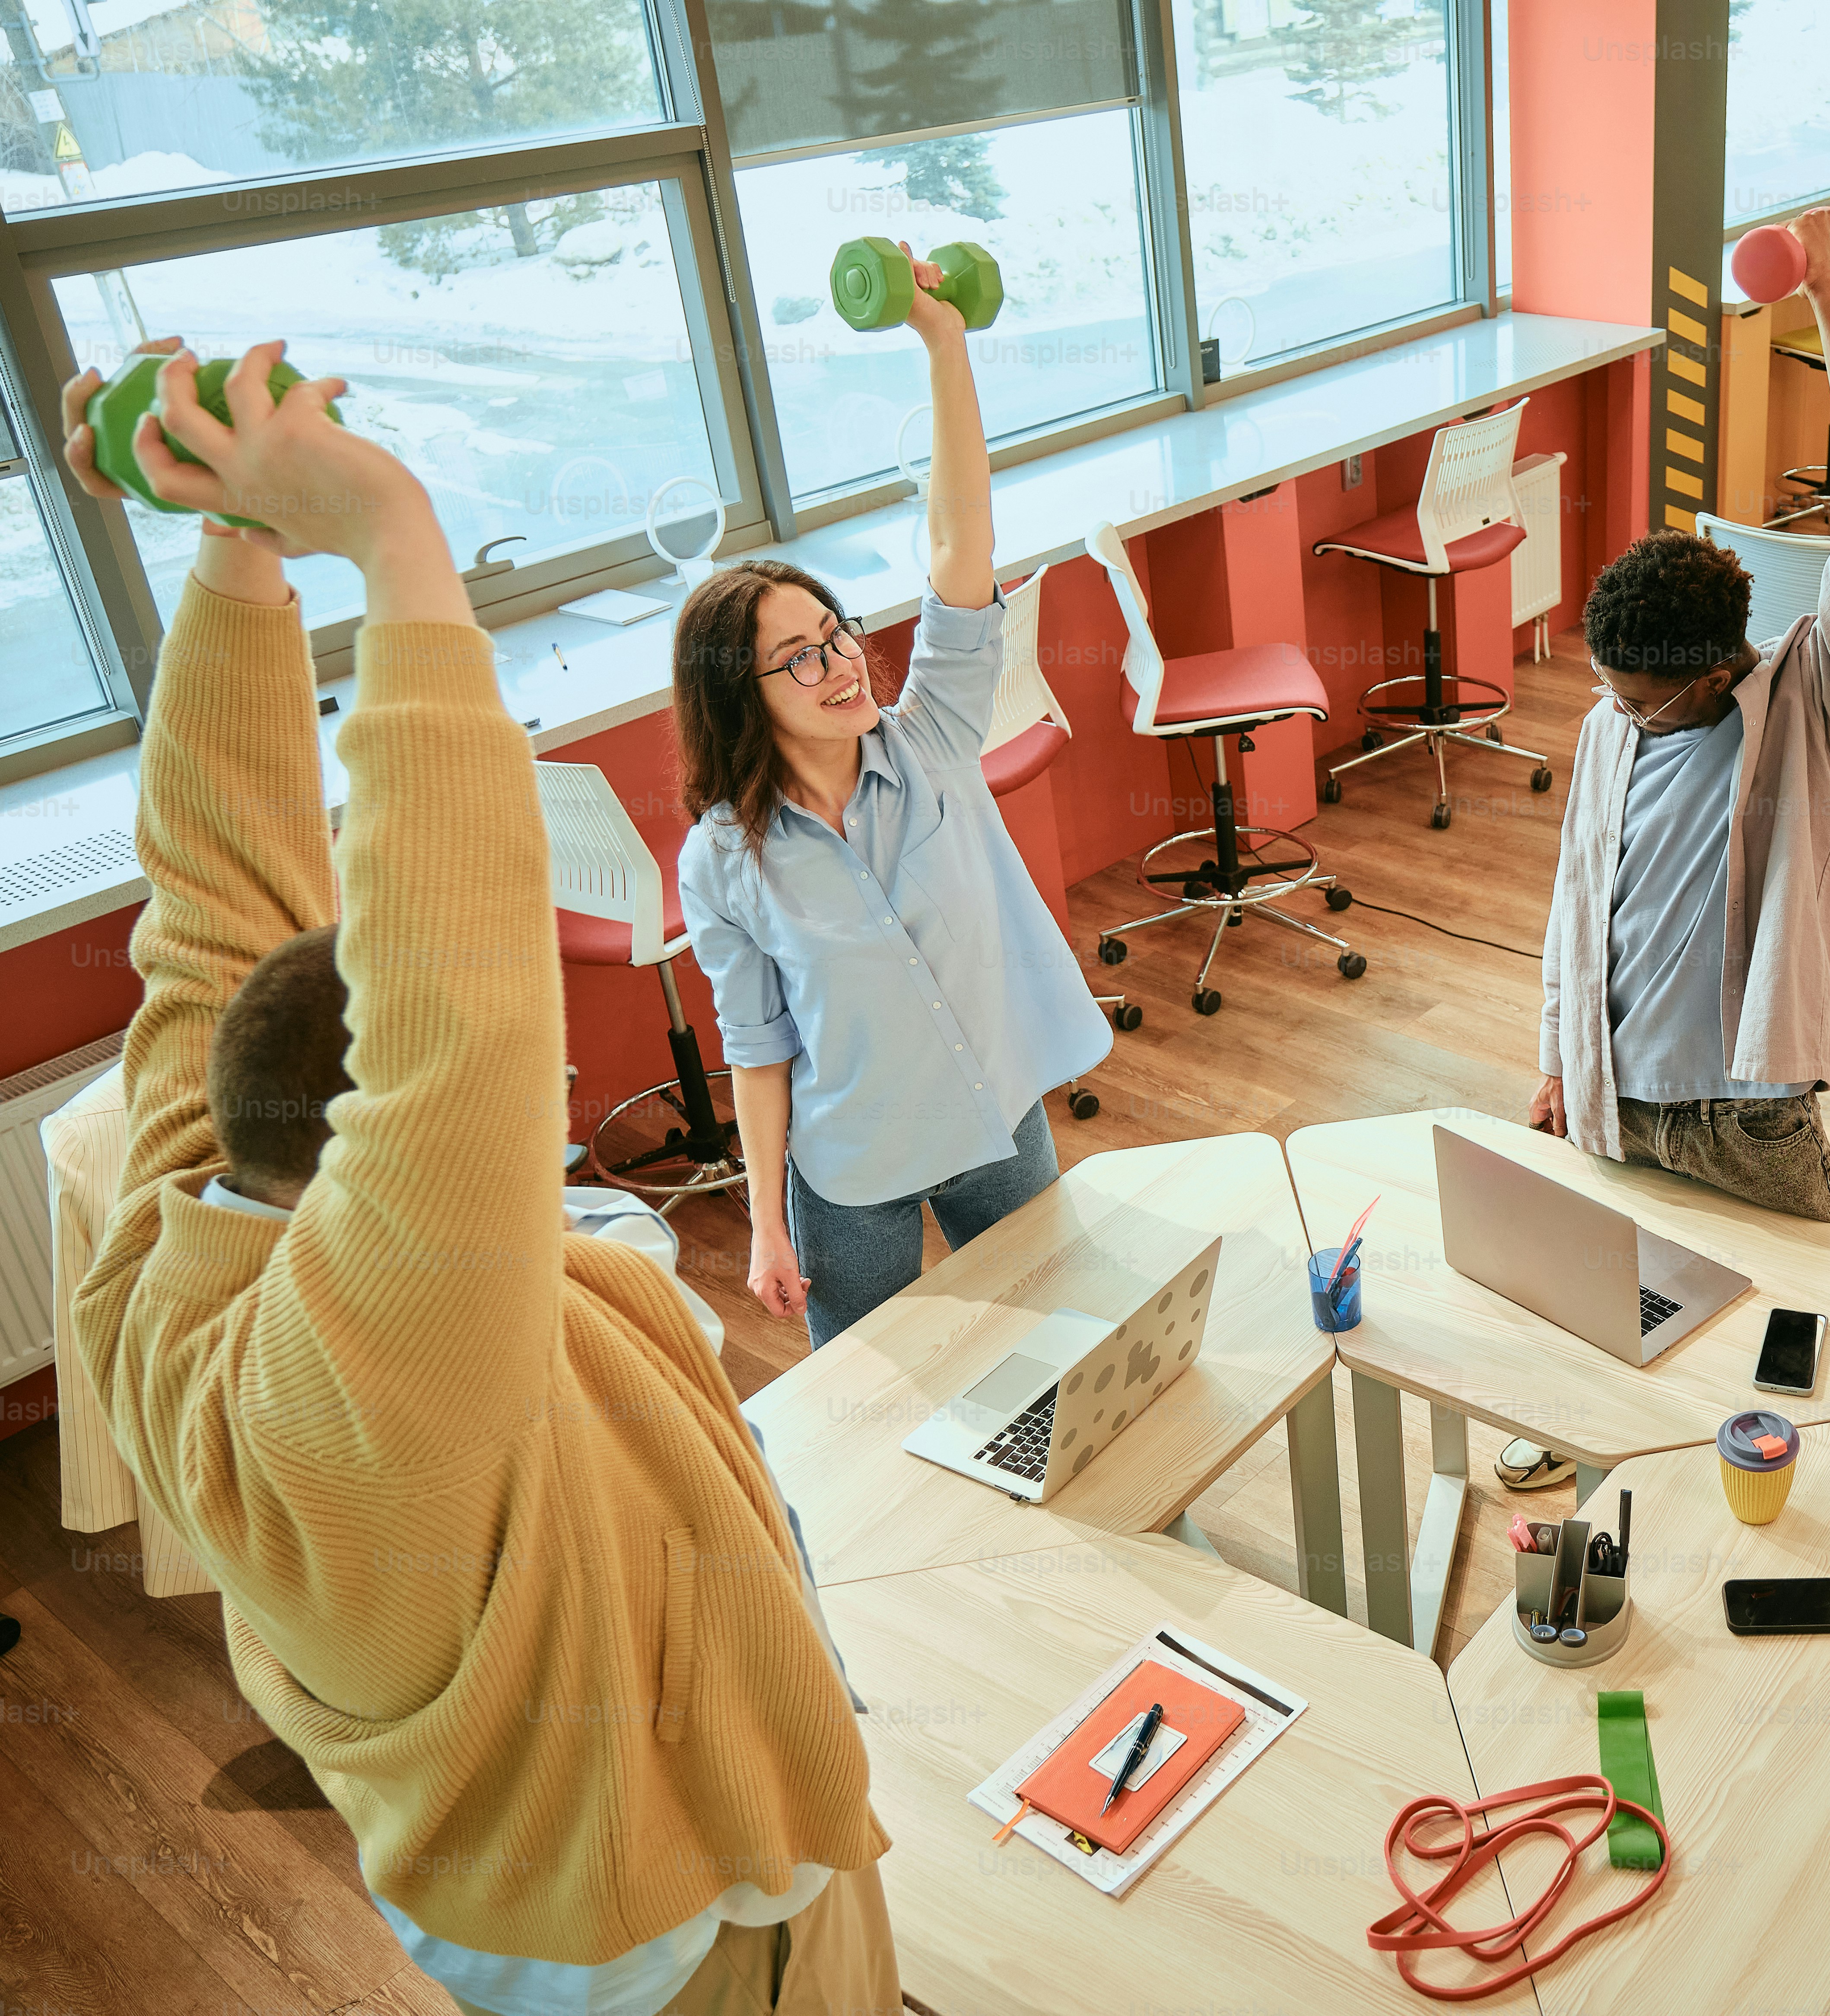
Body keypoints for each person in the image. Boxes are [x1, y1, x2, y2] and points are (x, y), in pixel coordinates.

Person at [60, 344, 896, 2012]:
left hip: (607, 1873)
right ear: (395, 1155)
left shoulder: (185, 1227)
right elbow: (466, 1016)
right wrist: (389, 535)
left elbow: (215, 890)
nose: (549, 1101)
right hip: (692, 1934)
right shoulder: (366, 1391)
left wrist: (237, 542)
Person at [1509, 206, 1830, 1490]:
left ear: (1715, 670)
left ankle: (1783, 1479)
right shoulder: (1608, 722)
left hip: (1746, 1118)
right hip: (1609, 1094)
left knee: (1791, 1345)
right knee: (1602, 1317)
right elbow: (1579, 904)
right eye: (1609, 687)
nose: (1620, 710)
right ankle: (1597, 1450)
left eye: (1645, 694)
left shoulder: (1819, 714)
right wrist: (1554, 1057)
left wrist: (1829, 303)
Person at [675, 244, 1109, 1350]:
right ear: (742, 699)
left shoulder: (932, 740)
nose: (840, 666)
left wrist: (943, 341)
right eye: (800, 661)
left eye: (835, 636)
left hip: (992, 1124)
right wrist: (766, 1222)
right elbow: (759, 1045)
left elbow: (962, 535)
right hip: (852, 1171)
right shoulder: (723, 861)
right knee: (870, 1399)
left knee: (1062, 1347)